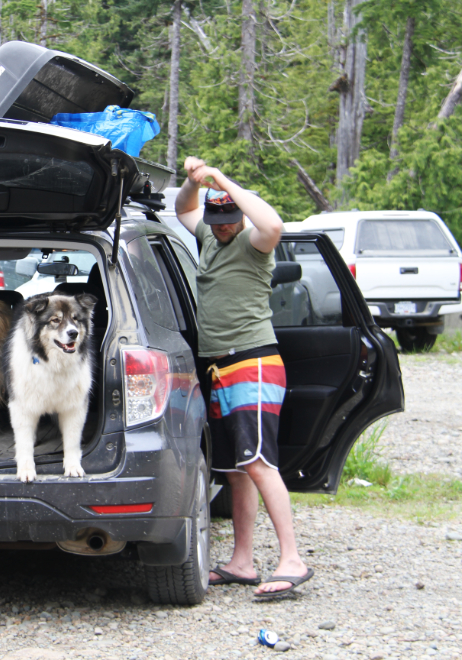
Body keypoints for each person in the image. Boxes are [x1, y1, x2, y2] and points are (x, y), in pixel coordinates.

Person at [175, 156, 313, 599]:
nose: (221, 227)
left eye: (228, 219)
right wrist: (193, 182)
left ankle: (292, 559)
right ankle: (243, 561)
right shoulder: (209, 237)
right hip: (221, 367)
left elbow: (272, 222)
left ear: (237, 213)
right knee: (235, 471)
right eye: (217, 220)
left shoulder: (254, 243)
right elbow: (183, 209)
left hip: (253, 362)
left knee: (258, 462)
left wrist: (221, 179)